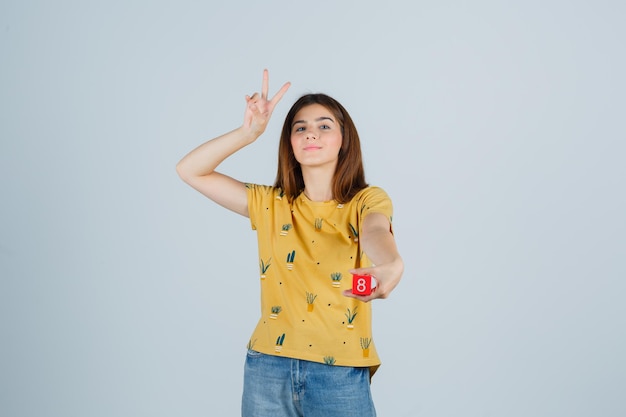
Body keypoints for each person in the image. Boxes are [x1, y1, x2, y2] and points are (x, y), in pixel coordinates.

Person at [176, 69, 403, 417]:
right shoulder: (271, 204)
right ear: (290, 143)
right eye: (300, 127)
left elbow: (375, 231)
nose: (311, 132)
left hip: (339, 371)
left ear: (345, 140)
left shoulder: (366, 201)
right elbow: (190, 170)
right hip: (267, 368)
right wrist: (246, 133)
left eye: (324, 125)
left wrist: (391, 264)